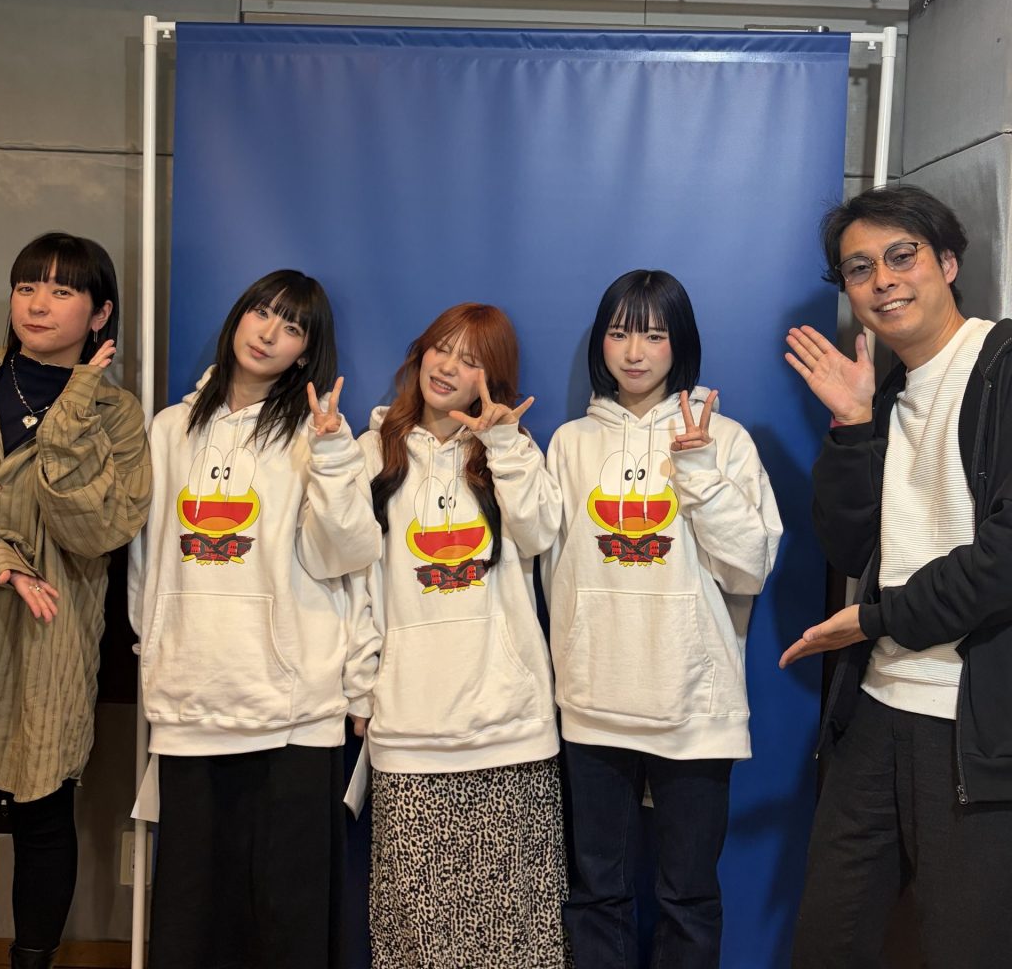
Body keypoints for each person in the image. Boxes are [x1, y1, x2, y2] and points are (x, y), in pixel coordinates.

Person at [782, 184, 1012, 967]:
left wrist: (876, 619)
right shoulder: (886, 394)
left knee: (965, 948)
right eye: (859, 268)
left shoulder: (1002, 366)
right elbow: (850, 550)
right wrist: (852, 426)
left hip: (976, 726)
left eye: (901, 256)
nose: (882, 280)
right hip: (879, 706)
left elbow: (1005, 558)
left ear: (947, 263)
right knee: (829, 939)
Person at [128, 270, 379, 969]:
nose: (269, 333)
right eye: (262, 313)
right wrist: (159, 651)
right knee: (193, 909)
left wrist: (333, 454)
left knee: (287, 911)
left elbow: (346, 555)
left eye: (291, 327)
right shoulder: (171, 428)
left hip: (295, 708)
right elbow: (149, 560)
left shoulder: (318, 435)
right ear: (238, 316)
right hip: (191, 700)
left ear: (306, 352)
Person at [544, 269, 782, 969]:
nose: (634, 352)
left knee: (688, 897)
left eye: (653, 334)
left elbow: (750, 568)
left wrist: (699, 471)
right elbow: (549, 572)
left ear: (681, 343)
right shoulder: (571, 443)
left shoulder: (725, 439)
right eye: (620, 333)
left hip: (695, 705)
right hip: (594, 700)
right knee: (598, 893)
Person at [352, 301, 566, 968]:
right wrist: (362, 686)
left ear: (490, 379)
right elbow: (354, 584)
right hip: (410, 729)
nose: (447, 367)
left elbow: (541, 534)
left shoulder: (510, 451)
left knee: (515, 936)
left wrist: (503, 445)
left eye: (470, 360)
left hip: (509, 727)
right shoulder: (372, 451)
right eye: (441, 349)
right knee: (417, 936)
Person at [0, 232, 151, 969]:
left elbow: (97, 532)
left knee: (43, 814)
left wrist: (76, 405)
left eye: (61, 290)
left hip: (50, 638)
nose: (38, 304)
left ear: (100, 313)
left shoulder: (116, 414)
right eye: (27, 287)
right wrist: (1, 561)